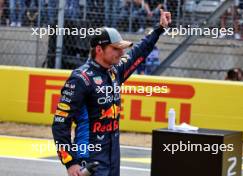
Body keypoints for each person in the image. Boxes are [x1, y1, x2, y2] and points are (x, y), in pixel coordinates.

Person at [52, 9, 171, 176]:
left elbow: (139, 51)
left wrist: (159, 29)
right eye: (116, 49)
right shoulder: (80, 79)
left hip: (112, 155)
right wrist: (69, 162)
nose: (121, 53)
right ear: (99, 50)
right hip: (89, 158)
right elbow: (60, 124)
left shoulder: (114, 71)